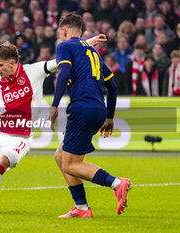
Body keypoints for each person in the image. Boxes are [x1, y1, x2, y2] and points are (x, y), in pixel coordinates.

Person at [0, 33, 106, 213]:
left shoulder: (34, 71)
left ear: (12, 63)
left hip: (20, 137)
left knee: (2, 161)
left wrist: (87, 43)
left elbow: (57, 61)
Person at [49, 13, 131, 218]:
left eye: (60, 33)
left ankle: (116, 183)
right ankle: (82, 208)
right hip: (98, 109)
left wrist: (54, 105)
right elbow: (112, 86)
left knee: (71, 164)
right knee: (61, 156)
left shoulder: (64, 46)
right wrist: (110, 117)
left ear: (64, 31)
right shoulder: (93, 53)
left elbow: (64, 74)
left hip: (81, 108)